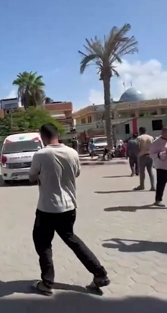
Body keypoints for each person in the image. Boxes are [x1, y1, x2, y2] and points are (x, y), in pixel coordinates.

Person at [29, 123, 109, 295]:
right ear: (58, 134)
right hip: (69, 206)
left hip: (47, 208)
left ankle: (47, 283)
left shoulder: (41, 154)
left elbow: (31, 177)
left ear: (42, 137)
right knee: (72, 240)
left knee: (42, 243)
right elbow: (77, 173)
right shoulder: (73, 152)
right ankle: (99, 273)